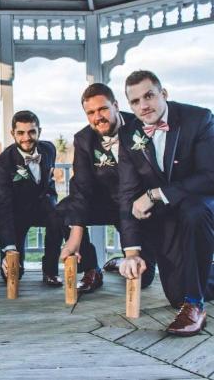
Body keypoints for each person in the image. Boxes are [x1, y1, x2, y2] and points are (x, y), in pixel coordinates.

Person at [118, 70, 214, 336]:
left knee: (194, 212)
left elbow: (210, 176)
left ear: (164, 94)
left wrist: (154, 194)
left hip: (202, 204)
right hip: (166, 216)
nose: (143, 105)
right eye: (135, 101)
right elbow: (127, 193)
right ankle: (194, 289)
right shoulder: (129, 135)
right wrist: (132, 251)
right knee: (175, 295)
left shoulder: (198, 118)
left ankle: (195, 306)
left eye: (149, 96)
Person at [58, 83, 155, 293]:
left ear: (116, 105)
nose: (97, 117)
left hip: (137, 206)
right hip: (103, 202)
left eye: (102, 109)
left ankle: (119, 263)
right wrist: (75, 236)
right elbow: (81, 187)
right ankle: (92, 270)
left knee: (143, 279)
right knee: (65, 209)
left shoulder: (141, 126)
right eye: (90, 112)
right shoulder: (83, 139)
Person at [0, 110, 65, 286]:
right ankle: (12, 261)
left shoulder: (49, 149)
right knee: (12, 276)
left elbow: (47, 179)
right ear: (13, 133)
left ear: (39, 131)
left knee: (59, 216)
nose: (27, 137)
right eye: (21, 133)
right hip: (14, 213)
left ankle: (50, 271)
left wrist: (51, 199)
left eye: (32, 131)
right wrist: (9, 248)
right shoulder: (2, 165)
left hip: (42, 206)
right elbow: (3, 207)